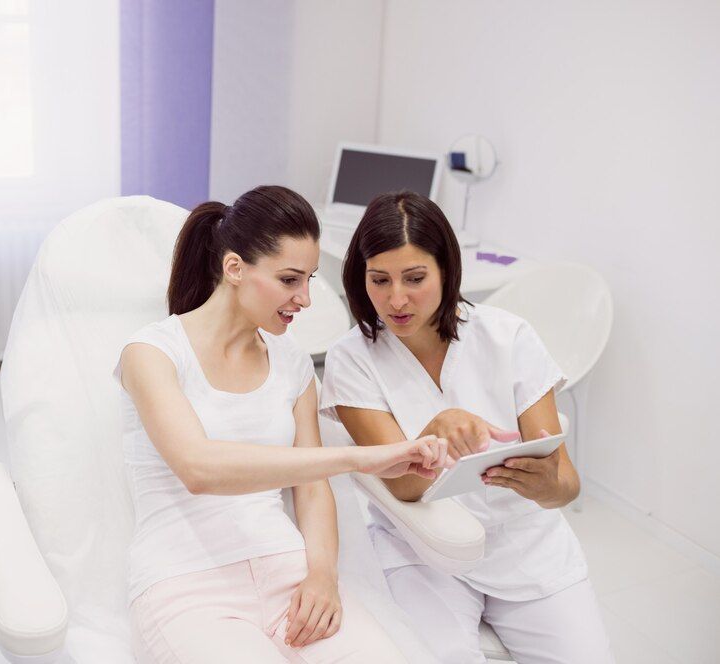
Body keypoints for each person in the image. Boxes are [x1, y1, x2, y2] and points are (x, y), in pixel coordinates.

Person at [115, 185, 450, 663]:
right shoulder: (151, 354)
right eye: (291, 279)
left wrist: (322, 576)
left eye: (310, 279)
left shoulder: (292, 364)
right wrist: (360, 459)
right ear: (234, 268)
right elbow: (199, 468)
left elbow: (311, 489)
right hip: (184, 583)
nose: (306, 298)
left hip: (287, 572)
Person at [320, 191, 614, 663]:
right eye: (379, 280)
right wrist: (430, 436)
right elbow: (404, 491)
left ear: (446, 270)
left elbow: (567, 487)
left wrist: (544, 486)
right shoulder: (351, 359)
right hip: (425, 550)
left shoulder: (508, 337)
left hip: (526, 547)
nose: (396, 299)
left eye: (415, 278)